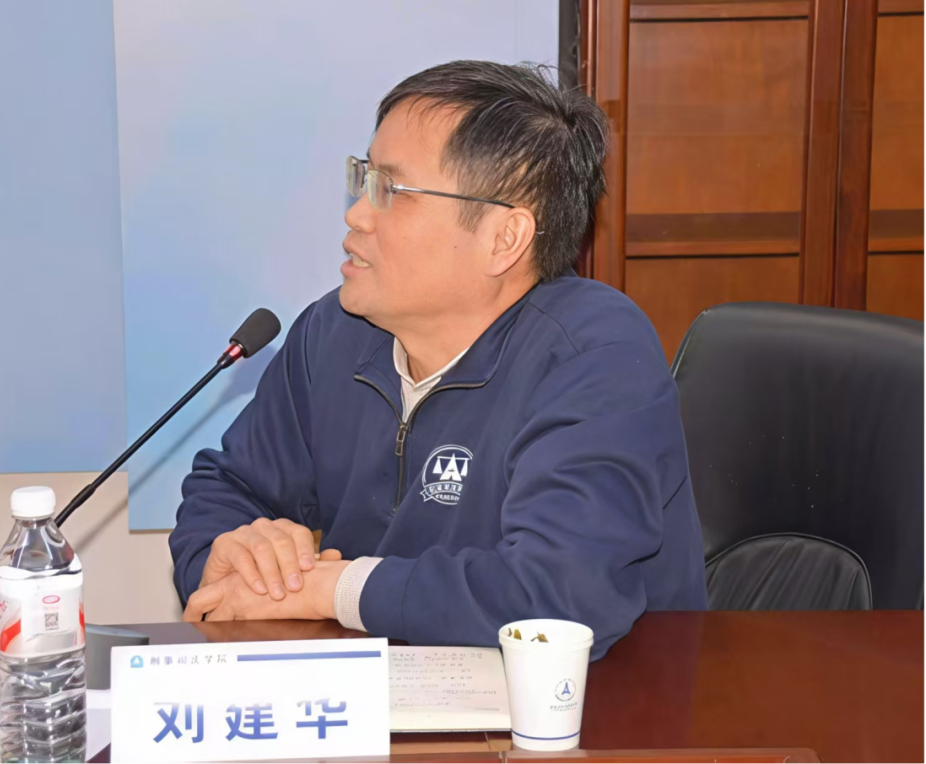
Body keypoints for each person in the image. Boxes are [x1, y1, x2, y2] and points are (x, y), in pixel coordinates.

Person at [170, 61, 707, 658]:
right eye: (363, 176)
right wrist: (225, 555)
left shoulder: (595, 355)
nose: (356, 214)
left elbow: (558, 594)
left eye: (391, 190)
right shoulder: (334, 333)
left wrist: (332, 588)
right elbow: (229, 487)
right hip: (385, 697)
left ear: (504, 238)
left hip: (596, 705)